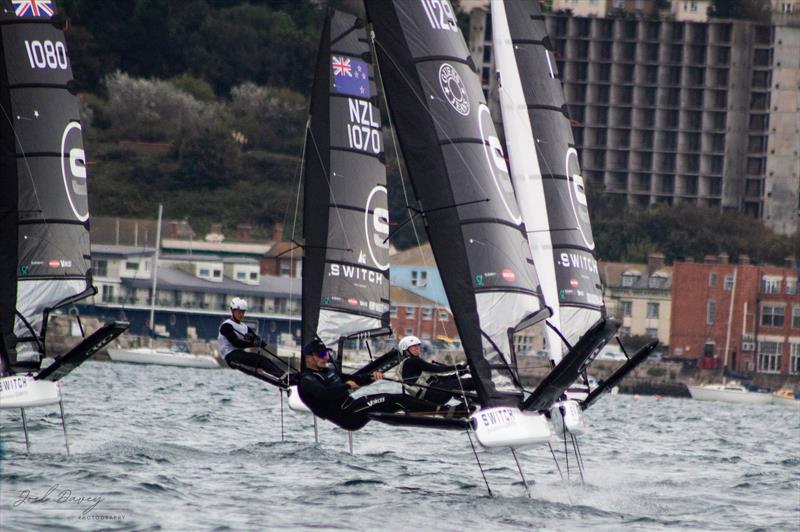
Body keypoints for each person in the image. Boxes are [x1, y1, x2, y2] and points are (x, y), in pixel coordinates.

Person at [297, 338, 434, 431]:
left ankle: (434, 410)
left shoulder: (328, 371)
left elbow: (356, 379)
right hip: (347, 416)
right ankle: (436, 410)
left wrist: (372, 377)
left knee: (396, 401)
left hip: (353, 407)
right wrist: (347, 386)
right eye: (321, 354)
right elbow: (324, 394)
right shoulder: (307, 379)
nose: (325, 357)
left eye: (327, 353)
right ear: (309, 357)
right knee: (394, 399)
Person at [218, 297, 292, 382]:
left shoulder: (244, 327)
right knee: (260, 360)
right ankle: (283, 377)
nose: (241, 314)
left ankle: (285, 376)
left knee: (265, 359)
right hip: (230, 356)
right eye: (239, 312)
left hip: (239, 353)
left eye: (243, 312)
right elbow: (236, 343)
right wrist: (253, 344)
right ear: (232, 311)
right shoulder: (226, 325)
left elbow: (256, 338)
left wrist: (259, 341)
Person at [397, 335, 475, 405]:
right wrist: (459, 367)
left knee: (457, 383)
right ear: (405, 350)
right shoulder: (411, 361)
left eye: (418, 346)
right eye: (414, 346)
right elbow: (437, 369)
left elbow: (439, 379)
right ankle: (480, 389)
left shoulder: (413, 364)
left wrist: (459, 374)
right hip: (431, 395)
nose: (417, 348)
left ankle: (467, 404)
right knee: (462, 382)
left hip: (432, 393)